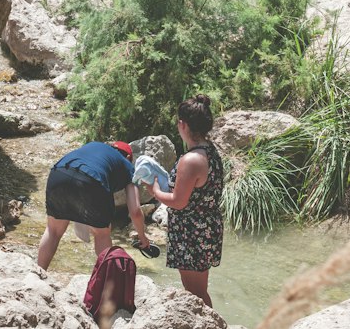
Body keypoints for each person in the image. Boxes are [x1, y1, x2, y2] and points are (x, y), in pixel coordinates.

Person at [144, 94, 224, 307]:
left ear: (182, 124)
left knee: (195, 294)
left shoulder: (190, 160)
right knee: (199, 291)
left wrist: (155, 190)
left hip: (192, 232)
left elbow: (179, 202)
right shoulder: (211, 151)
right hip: (206, 226)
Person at [38, 141, 153, 271]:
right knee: (102, 234)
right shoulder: (127, 165)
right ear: (128, 158)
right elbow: (135, 211)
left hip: (59, 172)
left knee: (53, 230)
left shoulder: (94, 146)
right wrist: (142, 237)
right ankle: (108, 283)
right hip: (92, 181)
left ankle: (38, 273)